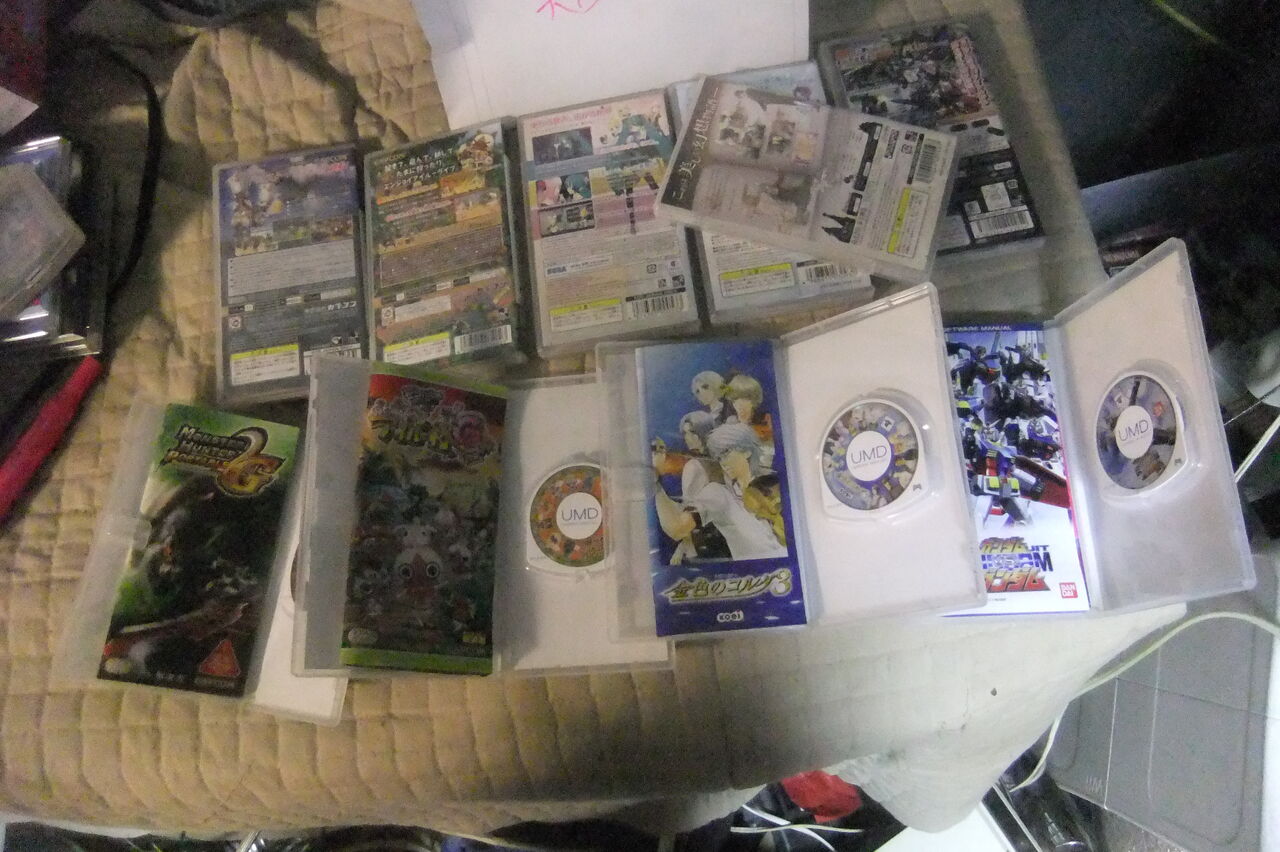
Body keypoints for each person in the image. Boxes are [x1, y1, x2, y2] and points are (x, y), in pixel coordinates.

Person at [651, 410, 729, 563]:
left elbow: (686, 521)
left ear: (703, 432)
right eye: (685, 433)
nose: (687, 437)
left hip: (704, 548)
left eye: (692, 432)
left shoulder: (694, 466)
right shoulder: (721, 462)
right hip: (723, 543)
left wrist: (684, 550)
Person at [724, 373, 774, 467]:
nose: (740, 404)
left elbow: (768, 455)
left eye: (745, 399)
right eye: (735, 399)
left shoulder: (765, 420)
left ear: (754, 400)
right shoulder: (731, 423)